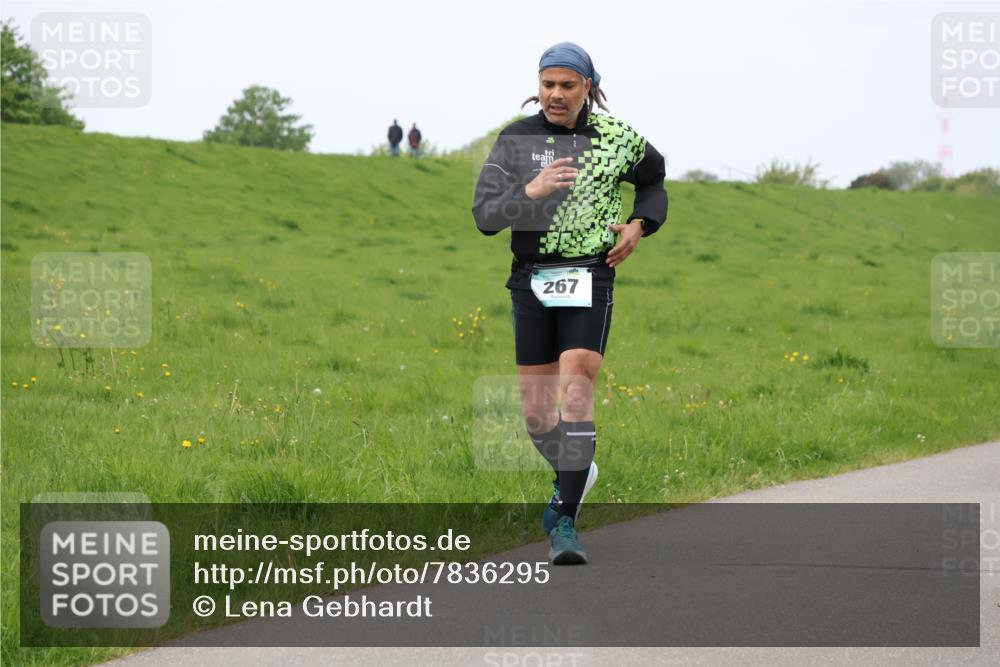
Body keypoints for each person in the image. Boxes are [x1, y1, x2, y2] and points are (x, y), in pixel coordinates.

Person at [472, 42, 668, 565]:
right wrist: (531, 190)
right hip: (531, 279)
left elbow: (654, 178)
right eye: (547, 84)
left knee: (577, 384)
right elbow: (486, 217)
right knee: (538, 416)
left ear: (588, 88)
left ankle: (564, 521)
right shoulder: (516, 140)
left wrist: (639, 224)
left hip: (591, 273)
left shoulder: (616, 137)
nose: (555, 95)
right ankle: (579, 471)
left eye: (567, 85)